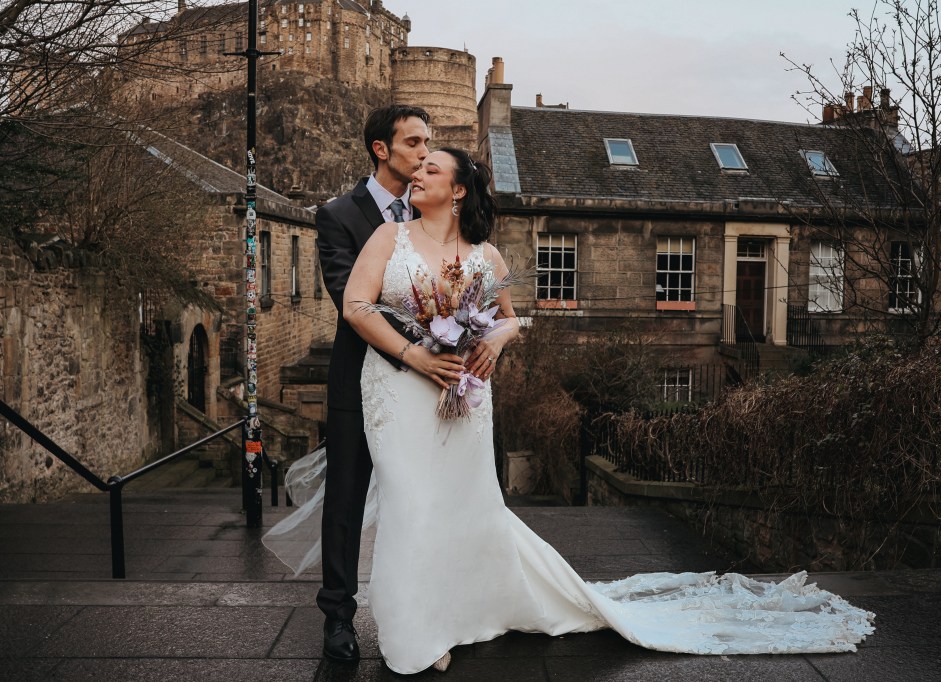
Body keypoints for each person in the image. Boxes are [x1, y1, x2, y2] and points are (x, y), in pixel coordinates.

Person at [269, 148, 875, 675]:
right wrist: (415, 355)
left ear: (457, 191)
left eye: (431, 168)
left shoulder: (485, 256)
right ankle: (414, 638)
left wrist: (496, 341)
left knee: (459, 507)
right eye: (417, 166)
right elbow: (355, 306)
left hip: (462, 398)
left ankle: (460, 613)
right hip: (399, 390)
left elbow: (511, 317)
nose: (418, 174)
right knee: (411, 505)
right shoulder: (387, 238)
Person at [313, 104, 430, 663]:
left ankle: (423, 609)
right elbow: (348, 299)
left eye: (428, 143)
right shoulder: (337, 215)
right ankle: (338, 617)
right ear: (381, 149)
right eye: (413, 143)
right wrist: (431, 331)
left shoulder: (434, 211)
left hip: (426, 387)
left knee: (422, 498)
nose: (425, 153)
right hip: (358, 381)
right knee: (345, 502)